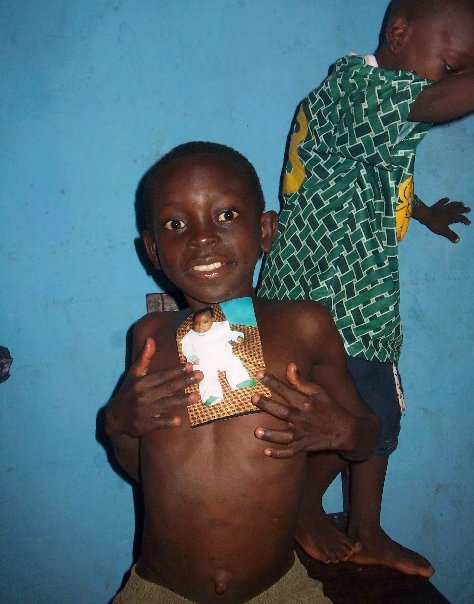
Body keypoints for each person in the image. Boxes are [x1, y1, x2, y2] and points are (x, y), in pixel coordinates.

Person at [258, 0, 474, 576]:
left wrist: (423, 212)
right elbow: (431, 103)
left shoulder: (369, 111)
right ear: (400, 34)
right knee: (357, 411)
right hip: (325, 287)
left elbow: (377, 174)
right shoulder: (355, 87)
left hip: (357, 290)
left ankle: (365, 528)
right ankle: (302, 506)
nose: (456, 86)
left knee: (376, 413)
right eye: (452, 67)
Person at [105, 141, 380, 603]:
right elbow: (143, 473)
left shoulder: (305, 325)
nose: (202, 237)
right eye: (176, 224)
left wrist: (344, 430)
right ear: (153, 249)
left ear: (265, 230)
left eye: (226, 215)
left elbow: (370, 434)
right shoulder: (150, 336)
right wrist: (117, 426)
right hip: (158, 590)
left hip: (279, 589)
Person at [181, 306, 255, 406]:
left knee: (234, 363)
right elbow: (187, 348)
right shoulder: (190, 336)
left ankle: (240, 380)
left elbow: (230, 334)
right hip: (204, 361)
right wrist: (192, 357)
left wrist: (237, 337)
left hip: (222, 355)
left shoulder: (220, 328)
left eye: (205, 322)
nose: (200, 326)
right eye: (197, 323)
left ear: (212, 319)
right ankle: (211, 395)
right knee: (206, 376)